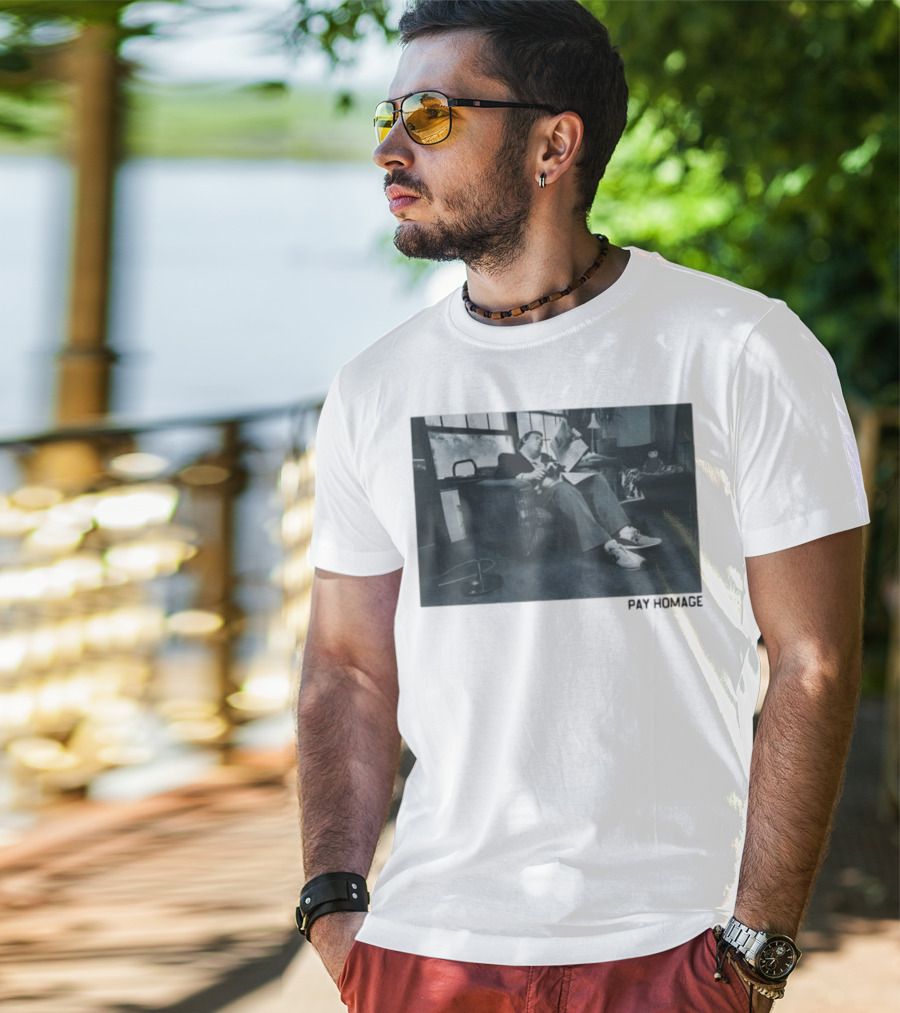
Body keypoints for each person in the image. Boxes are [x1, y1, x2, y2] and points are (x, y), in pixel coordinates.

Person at [296, 3, 869, 1011]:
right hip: (429, 951)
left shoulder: (741, 348)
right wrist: (334, 906)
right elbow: (346, 661)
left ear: (553, 145)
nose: (389, 148)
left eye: (429, 116)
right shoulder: (375, 386)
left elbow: (813, 659)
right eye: (388, 117)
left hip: (671, 946)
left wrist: (757, 947)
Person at [495, 430, 662, 568]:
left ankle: (625, 533)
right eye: (535, 438)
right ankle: (609, 547)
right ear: (524, 440)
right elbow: (500, 474)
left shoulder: (546, 458)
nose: (539, 440)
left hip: (563, 489)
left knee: (596, 479)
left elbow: (567, 469)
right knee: (562, 488)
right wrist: (528, 475)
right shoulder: (509, 457)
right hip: (541, 497)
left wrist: (572, 445)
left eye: (541, 438)